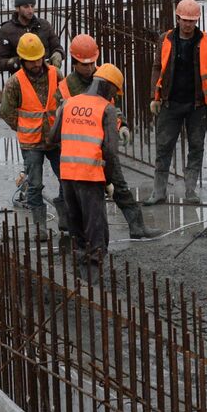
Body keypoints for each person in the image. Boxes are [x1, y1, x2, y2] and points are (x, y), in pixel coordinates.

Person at [47, 64, 157, 269]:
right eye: (115, 91)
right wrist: (108, 181)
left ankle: (80, 267)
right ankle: (94, 274)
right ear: (108, 87)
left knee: (77, 225)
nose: (114, 95)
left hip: (67, 174)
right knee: (96, 228)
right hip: (90, 175)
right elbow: (110, 153)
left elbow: (53, 137)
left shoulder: (69, 103)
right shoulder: (106, 109)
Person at [145, 0, 207, 205]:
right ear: (177, 18)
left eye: (192, 21)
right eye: (185, 20)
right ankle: (159, 191)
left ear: (197, 21)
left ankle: (190, 190)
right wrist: (155, 96)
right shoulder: (165, 39)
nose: (188, 25)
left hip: (197, 105)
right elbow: (156, 67)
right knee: (164, 147)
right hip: (170, 103)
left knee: (196, 147)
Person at [0, 32, 66, 240]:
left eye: (38, 58)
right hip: (31, 143)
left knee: (66, 178)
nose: (36, 63)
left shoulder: (56, 74)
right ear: (22, 60)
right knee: (35, 184)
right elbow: (6, 112)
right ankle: (41, 227)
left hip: (55, 139)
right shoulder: (14, 83)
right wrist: (23, 127)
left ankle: (65, 218)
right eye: (31, 60)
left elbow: (67, 102)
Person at [0, 0, 61, 74]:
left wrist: (58, 54)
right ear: (17, 8)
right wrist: (19, 62)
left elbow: (57, 47)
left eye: (32, 6)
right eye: (26, 6)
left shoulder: (44, 26)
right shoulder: (7, 30)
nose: (30, 10)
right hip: (21, 81)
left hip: (46, 77)